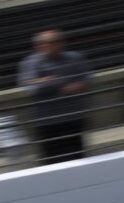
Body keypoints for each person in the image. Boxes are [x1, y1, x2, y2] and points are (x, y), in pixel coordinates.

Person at [17, 29, 90, 164]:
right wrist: (55, 83)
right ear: (39, 45)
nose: (56, 45)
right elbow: (31, 89)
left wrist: (44, 81)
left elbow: (86, 80)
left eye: (58, 41)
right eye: (50, 42)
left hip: (73, 117)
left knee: (77, 158)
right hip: (47, 121)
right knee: (51, 161)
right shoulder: (30, 63)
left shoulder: (75, 58)